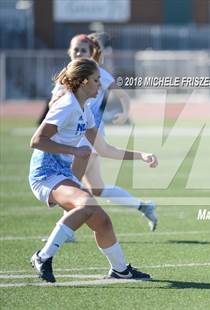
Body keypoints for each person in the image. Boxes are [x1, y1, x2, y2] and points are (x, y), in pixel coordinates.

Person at [29, 58, 158, 283]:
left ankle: (120, 270)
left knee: (103, 222)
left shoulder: (84, 109)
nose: (100, 85)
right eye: (97, 80)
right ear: (84, 81)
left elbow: (105, 149)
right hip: (45, 174)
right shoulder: (67, 105)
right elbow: (37, 140)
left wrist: (141, 155)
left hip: (63, 174)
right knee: (87, 204)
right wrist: (72, 150)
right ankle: (43, 256)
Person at [52, 33, 158, 237]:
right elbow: (53, 106)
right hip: (77, 137)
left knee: (70, 184)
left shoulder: (97, 73)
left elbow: (122, 95)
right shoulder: (66, 75)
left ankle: (66, 232)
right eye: (75, 49)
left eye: (83, 50)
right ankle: (143, 206)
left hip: (89, 137)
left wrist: (125, 113)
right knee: (96, 189)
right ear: (69, 51)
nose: (78, 53)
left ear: (91, 53)